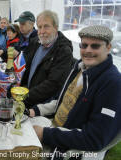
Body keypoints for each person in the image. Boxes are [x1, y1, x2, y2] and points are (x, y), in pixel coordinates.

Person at [33, 25, 121, 159]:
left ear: (108, 48)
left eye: (95, 46)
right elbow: (62, 99)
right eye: (84, 45)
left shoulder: (112, 83)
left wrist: (45, 134)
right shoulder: (80, 67)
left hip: (68, 151)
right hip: (54, 129)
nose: (88, 51)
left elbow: (95, 139)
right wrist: (35, 110)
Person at [20, 10, 74, 108]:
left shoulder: (64, 51)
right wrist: (19, 87)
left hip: (41, 107)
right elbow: (27, 68)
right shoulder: (36, 42)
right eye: (40, 27)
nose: (42, 31)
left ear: (56, 27)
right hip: (27, 97)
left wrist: (24, 96)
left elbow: (52, 85)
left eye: (46, 26)